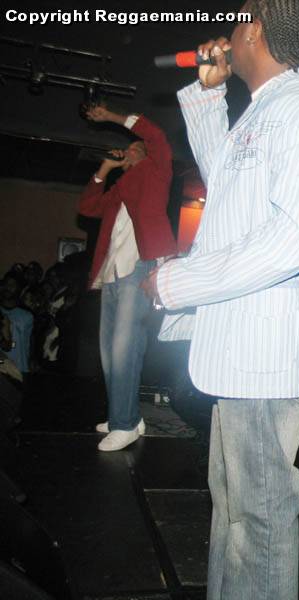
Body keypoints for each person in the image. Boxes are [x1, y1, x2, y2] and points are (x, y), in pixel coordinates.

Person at [142, 1, 299, 597]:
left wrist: (179, 282)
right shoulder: (269, 110)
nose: (226, 34)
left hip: (267, 354)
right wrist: (210, 97)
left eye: (235, 21)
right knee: (233, 513)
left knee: (257, 519)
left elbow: (292, 241)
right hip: (244, 350)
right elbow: (230, 187)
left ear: (254, 29)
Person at [78, 105, 175, 451]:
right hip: (113, 273)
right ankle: (126, 414)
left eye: (135, 148)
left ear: (146, 155)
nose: (129, 151)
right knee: (110, 351)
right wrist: (106, 168)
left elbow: (156, 135)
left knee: (124, 347)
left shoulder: (156, 171)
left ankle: (124, 423)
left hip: (140, 268)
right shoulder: (122, 187)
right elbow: (88, 208)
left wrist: (112, 118)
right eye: (128, 149)